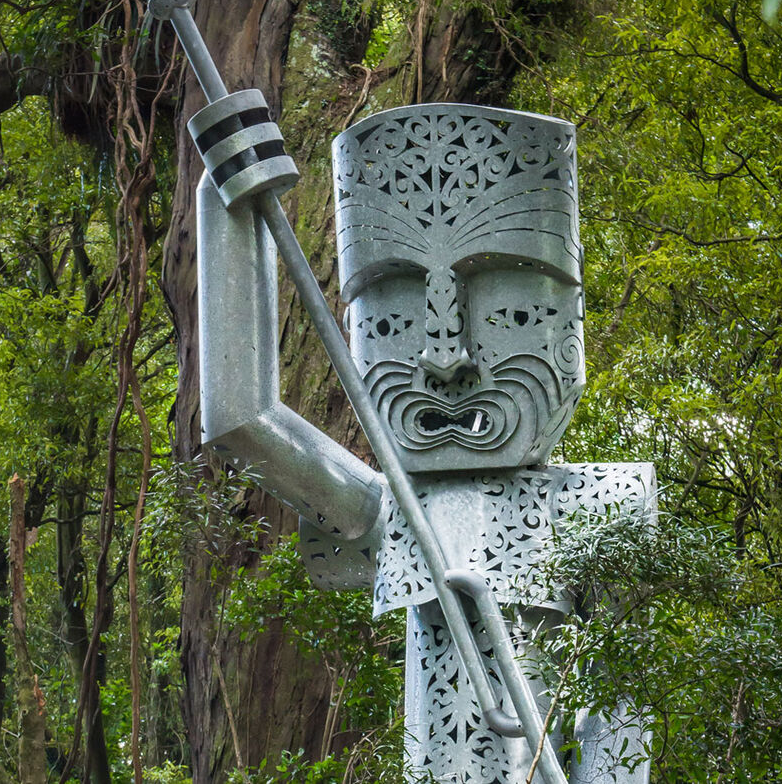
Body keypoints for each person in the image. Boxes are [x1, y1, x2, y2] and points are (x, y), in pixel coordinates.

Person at [197, 101, 655, 784]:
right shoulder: (392, 508)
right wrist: (227, 201)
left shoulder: (601, 503)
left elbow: (620, 714)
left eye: (502, 304)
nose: (446, 356)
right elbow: (244, 424)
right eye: (399, 308)